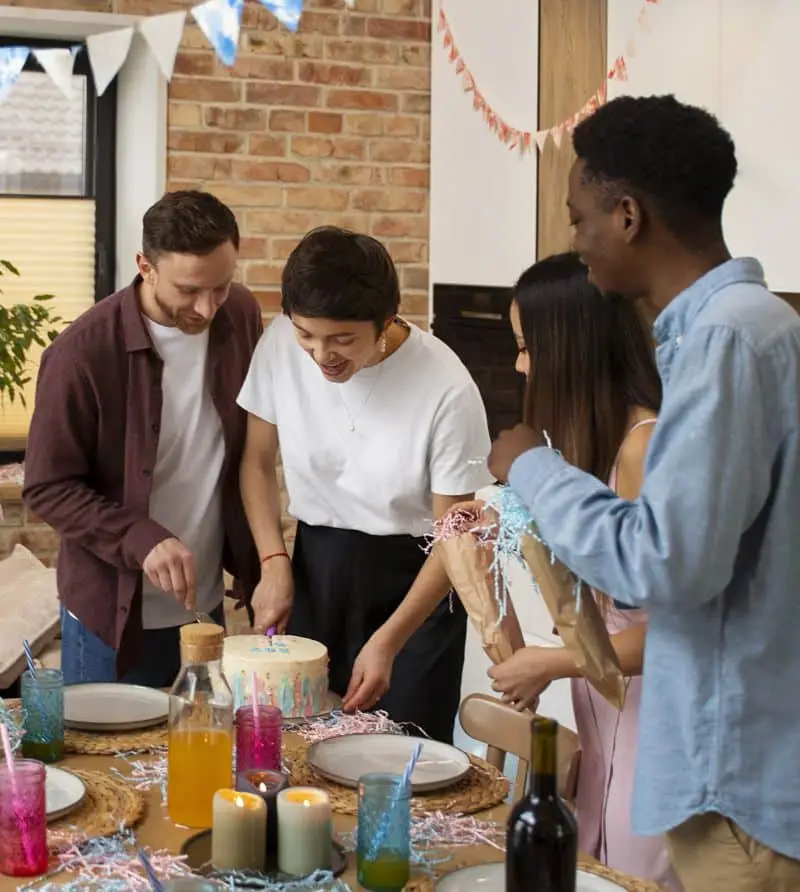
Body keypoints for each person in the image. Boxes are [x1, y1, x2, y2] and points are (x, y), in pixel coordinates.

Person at [488, 94, 800, 892]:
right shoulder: (741, 329)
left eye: (577, 218)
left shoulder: (729, 336)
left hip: (739, 786)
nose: (576, 240)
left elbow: (663, 564)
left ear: (626, 216)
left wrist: (532, 466)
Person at [237, 226, 491, 742]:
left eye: (342, 340)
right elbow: (257, 463)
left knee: (404, 759)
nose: (320, 354)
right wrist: (273, 561)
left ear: (388, 319)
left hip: (419, 582)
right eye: (306, 334)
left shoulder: (447, 386)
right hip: (318, 569)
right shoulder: (280, 347)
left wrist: (391, 640)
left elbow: (453, 535)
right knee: (302, 746)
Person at [485, 253, 680, 889]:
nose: (519, 364)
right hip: (604, 704)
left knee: (632, 873)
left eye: (525, 345)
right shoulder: (592, 444)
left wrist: (553, 660)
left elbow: (678, 634)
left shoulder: (645, 447)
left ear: (570, 344)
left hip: (657, 717)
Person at [23, 190, 262, 687]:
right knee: (105, 763)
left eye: (220, 286)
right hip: (107, 618)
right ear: (145, 266)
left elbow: (241, 452)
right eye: (189, 289)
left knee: (201, 755)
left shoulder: (240, 315)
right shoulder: (80, 355)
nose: (207, 306)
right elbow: (47, 486)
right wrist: (140, 537)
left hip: (203, 609)